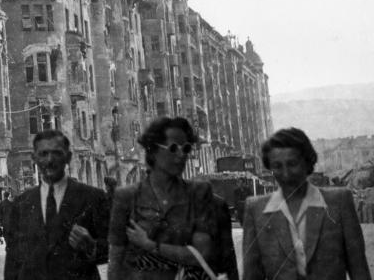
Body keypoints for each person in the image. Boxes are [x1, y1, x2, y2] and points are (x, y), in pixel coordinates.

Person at [242, 127, 371, 280]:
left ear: (307, 162)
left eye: (292, 164)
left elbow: (359, 271)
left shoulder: (339, 202)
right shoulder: (256, 209)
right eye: (277, 166)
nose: (286, 174)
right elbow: (251, 275)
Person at [108, 116, 217, 280]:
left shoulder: (199, 193)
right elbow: (116, 261)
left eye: (186, 148)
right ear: (153, 150)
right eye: (173, 148)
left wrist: (150, 245)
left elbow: (202, 253)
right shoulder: (126, 196)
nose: (181, 155)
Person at [4, 129, 110, 280]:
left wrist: (92, 248)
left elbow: (115, 247)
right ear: (34, 158)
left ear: (68, 157)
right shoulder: (21, 204)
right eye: (43, 154)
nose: (50, 160)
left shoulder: (93, 198)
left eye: (57, 153)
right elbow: (12, 261)